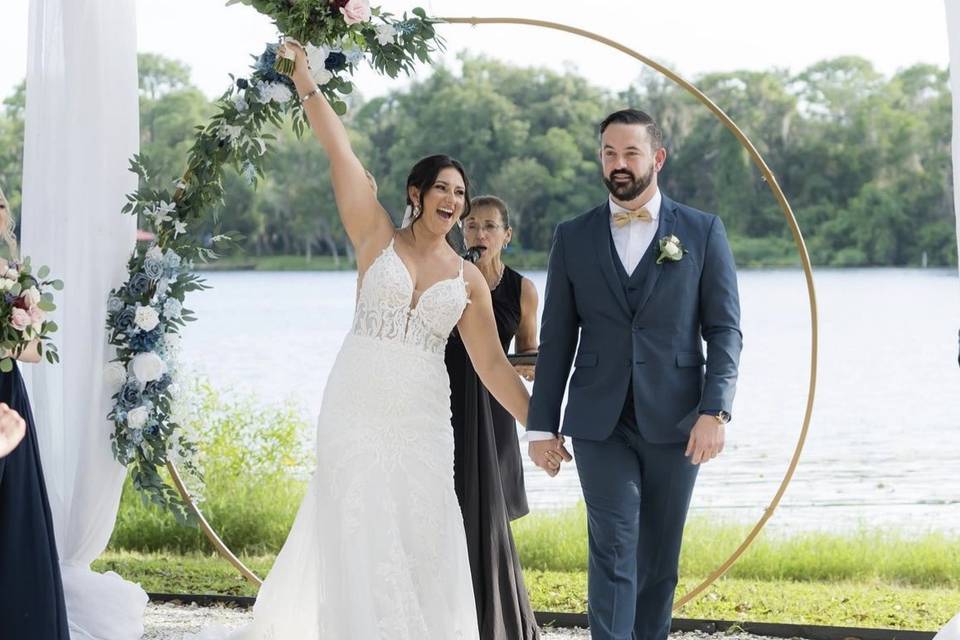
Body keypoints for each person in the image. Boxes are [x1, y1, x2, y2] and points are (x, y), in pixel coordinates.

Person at [191, 42, 535, 640]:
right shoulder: (374, 235)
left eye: (460, 193)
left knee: (423, 527)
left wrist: (543, 424)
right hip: (356, 402)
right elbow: (338, 148)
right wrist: (303, 79)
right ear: (416, 192)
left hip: (424, 416)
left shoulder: (468, 280)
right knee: (357, 522)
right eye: (443, 190)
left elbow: (493, 367)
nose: (453, 202)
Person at [527, 108, 742, 640]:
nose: (618, 164)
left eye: (630, 153)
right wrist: (539, 426)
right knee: (613, 548)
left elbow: (725, 331)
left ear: (657, 158)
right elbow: (556, 340)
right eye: (608, 153)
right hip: (599, 422)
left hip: (678, 419)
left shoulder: (701, 230)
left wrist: (715, 411)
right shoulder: (572, 236)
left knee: (658, 560)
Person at [445, 195, 540, 639]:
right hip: (444, 403)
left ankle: (495, 619)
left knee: (490, 511)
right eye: (471, 226)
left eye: (488, 227)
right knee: (447, 507)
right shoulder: (449, 274)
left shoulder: (522, 289)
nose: (479, 235)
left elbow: (527, 352)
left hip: (495, 403)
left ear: (507, 235)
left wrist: (537, 368)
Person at [0, 186, 70, 639]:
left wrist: (21, 303)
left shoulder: (13, 274)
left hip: (8, 395)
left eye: (2, 204)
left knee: (16, 513)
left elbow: (34, 353)